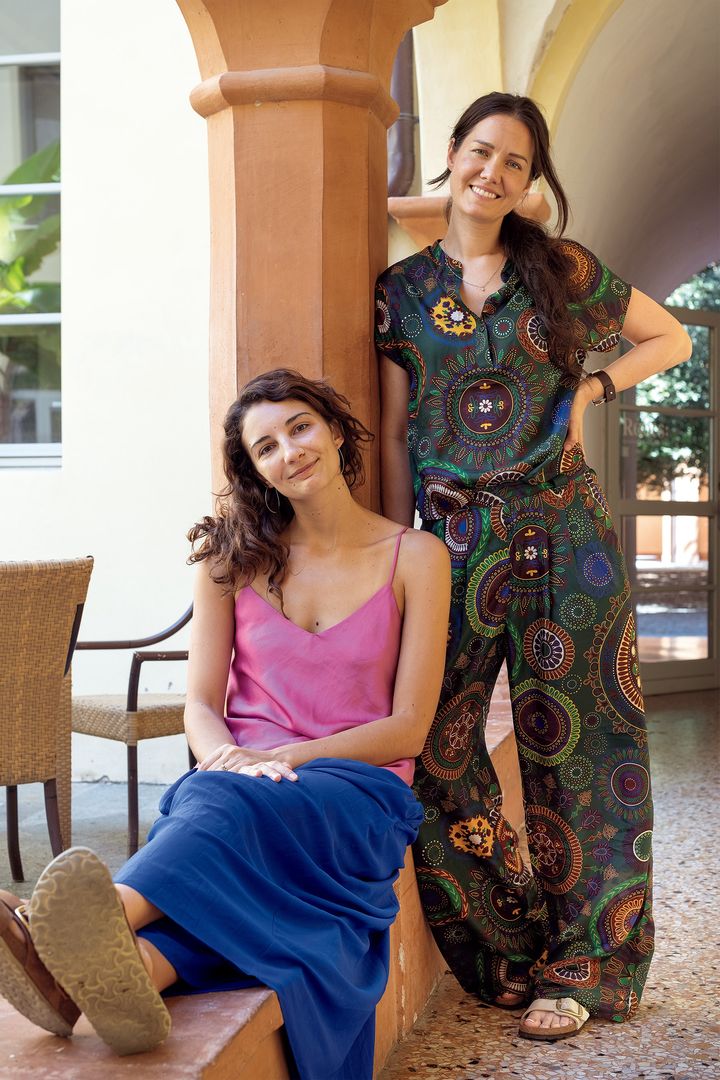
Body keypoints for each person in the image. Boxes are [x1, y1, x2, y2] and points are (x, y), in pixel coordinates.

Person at [0, 369, 450, 1079]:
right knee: (221, 798)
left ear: (336, 430)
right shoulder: (230, 562)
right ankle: (138, 968)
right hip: (237, 780)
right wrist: (226, 758)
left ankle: (84, 924)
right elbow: (201, 707)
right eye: (265, 447)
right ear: (255, 470)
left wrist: (288, 758)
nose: (289, 452)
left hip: (357, 792)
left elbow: (409, 727)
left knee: (229, 803)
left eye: (300, 427)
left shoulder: (416, 557)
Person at [375, 91, 692, 1042]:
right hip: (453, 545)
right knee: (435, 744)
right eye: (481, 151)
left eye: (515, 161)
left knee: (588, 753)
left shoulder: (562, 269)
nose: (493, 172)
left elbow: (671, 336)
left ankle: (586, 967)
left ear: (530, 179)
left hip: (567, 535)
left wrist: (592, 388)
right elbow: (392, 433)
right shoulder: (400, 290)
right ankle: (509, 945)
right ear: (453, 154)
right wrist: (395, 553)